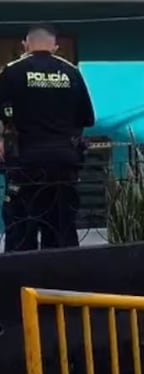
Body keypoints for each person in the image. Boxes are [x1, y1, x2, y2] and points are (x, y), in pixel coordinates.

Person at [0, 24, 95, 252]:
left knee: (22, 229)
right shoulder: (71, 72)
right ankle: (62, 282)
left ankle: (19, 282)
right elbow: (87, 118)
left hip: (25, 163)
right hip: (64, 163)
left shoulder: (12, 71)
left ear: (25, 45)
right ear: (55, 46)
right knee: (62, 229)